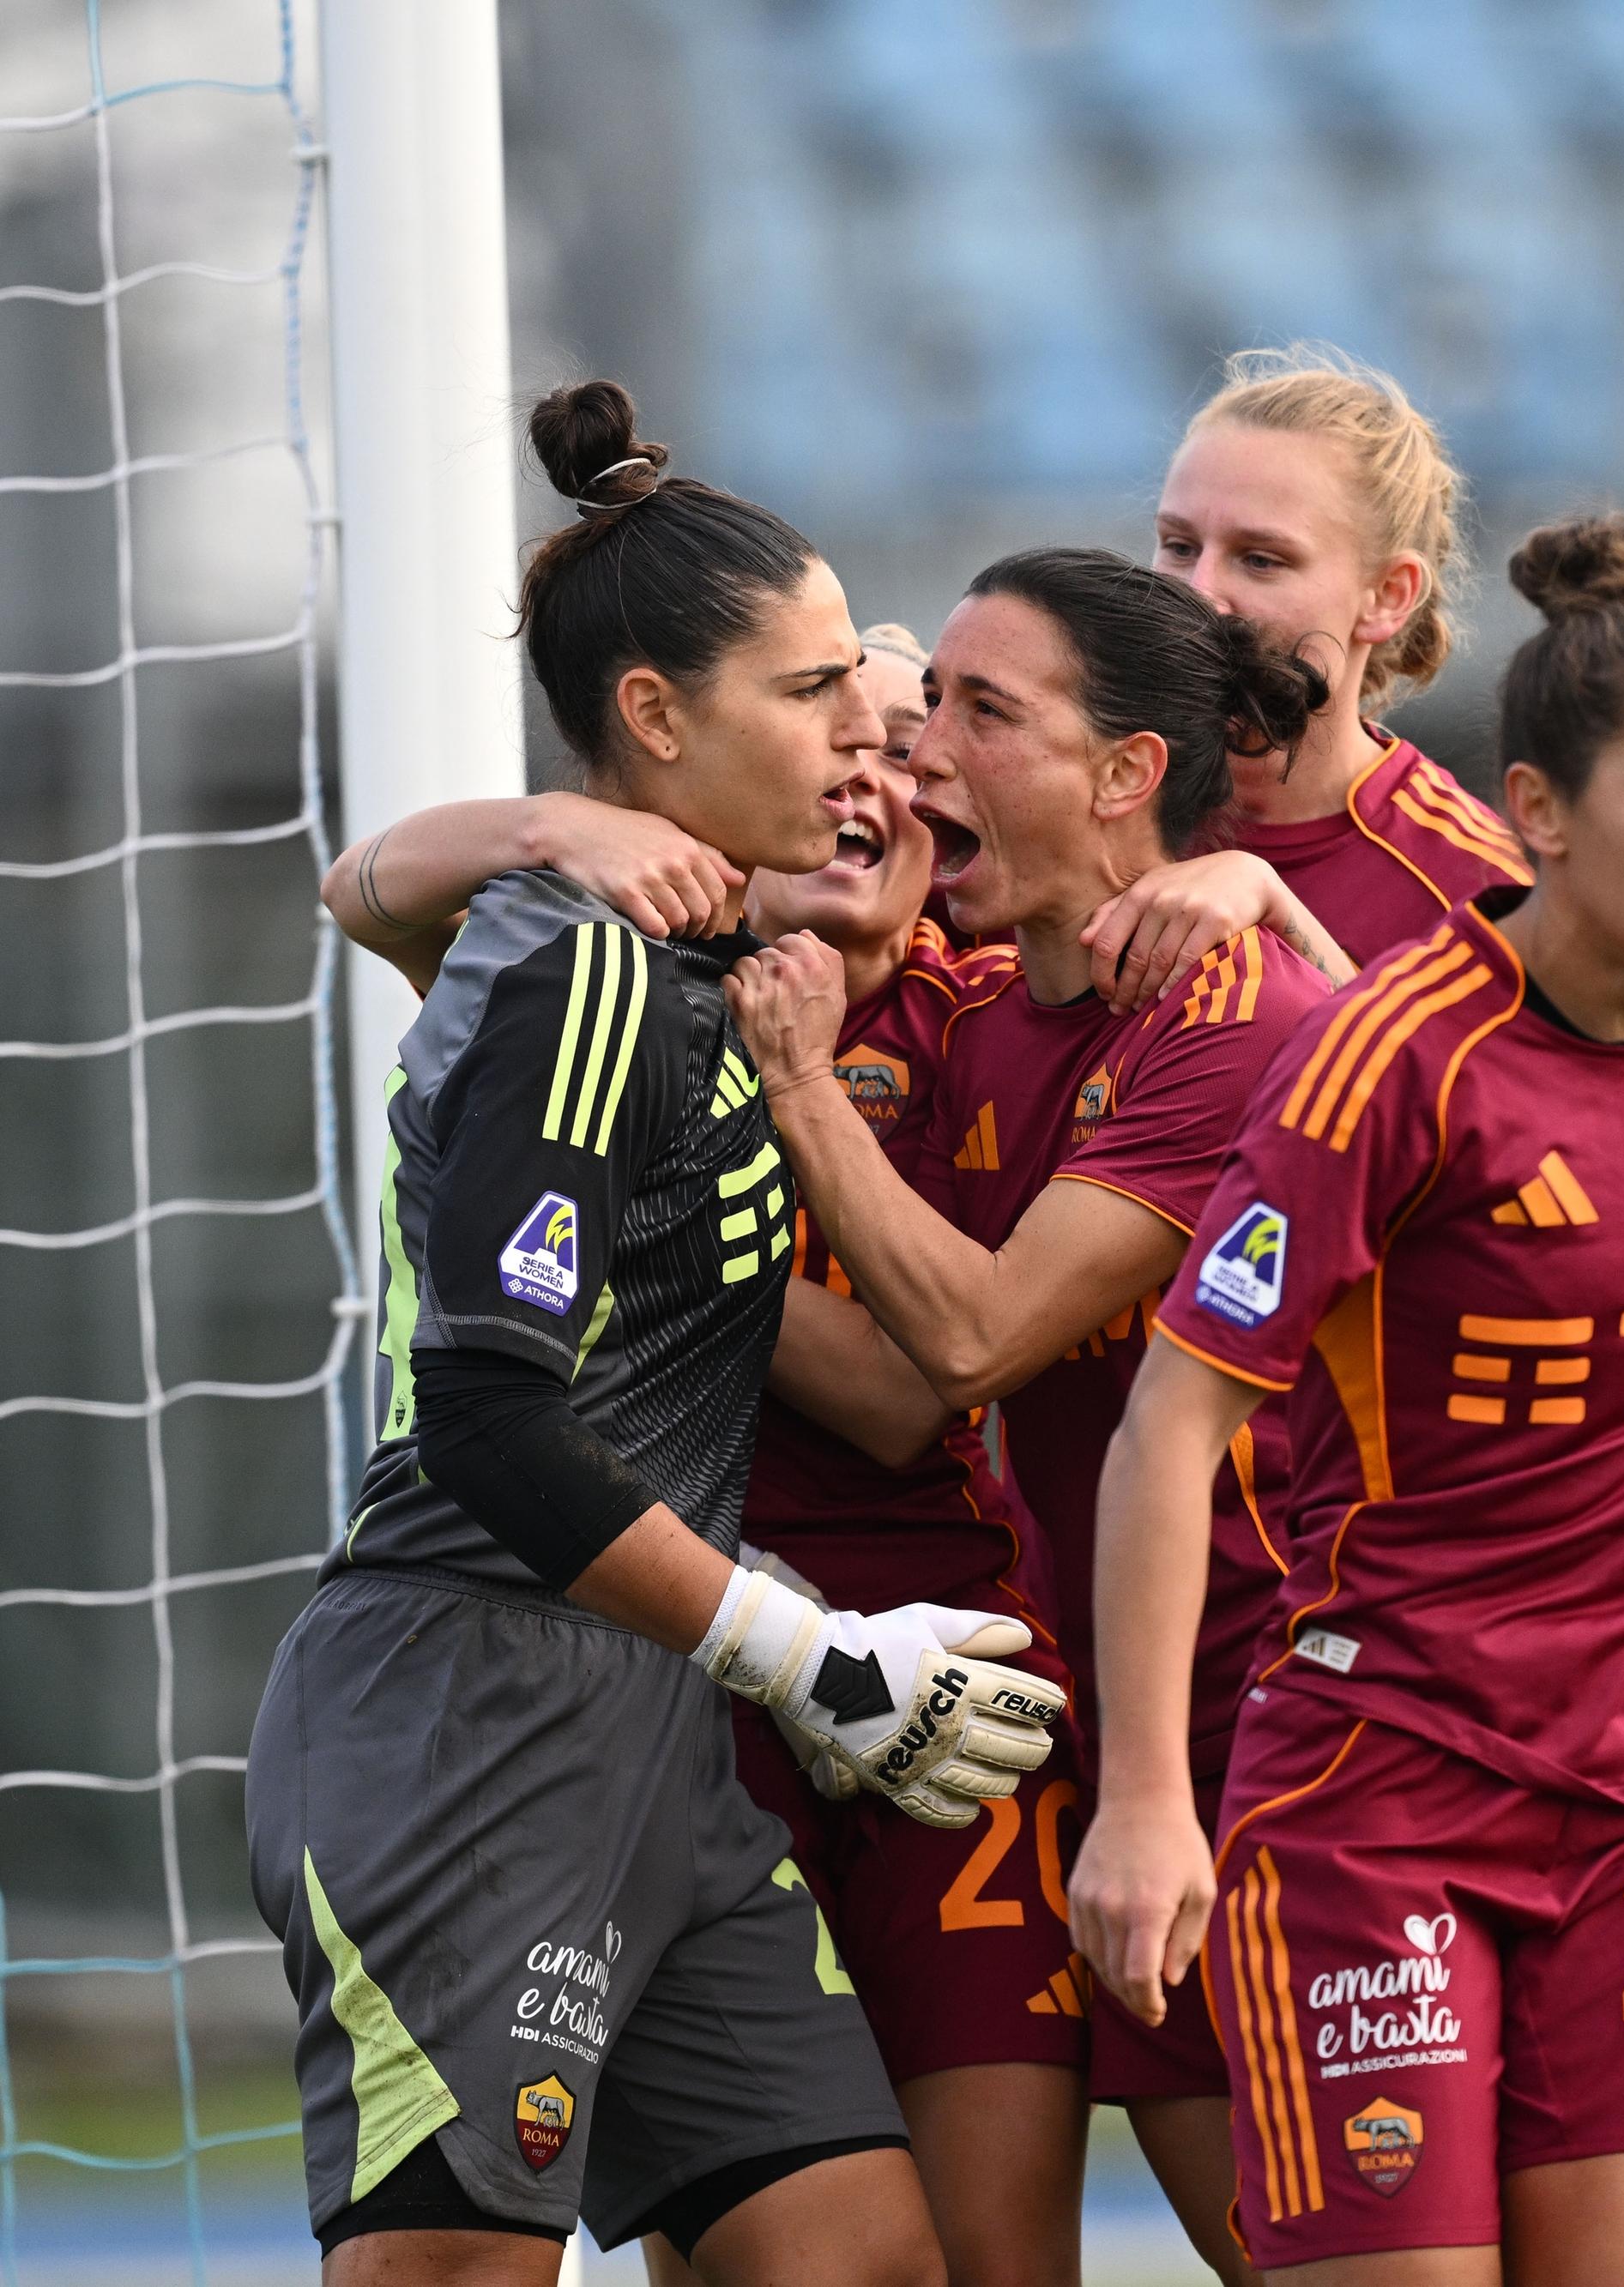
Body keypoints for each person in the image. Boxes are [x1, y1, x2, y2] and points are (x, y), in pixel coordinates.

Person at [246, 382, 1062, 2286]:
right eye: (811, 706)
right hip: (468, 1710)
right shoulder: (582, 968)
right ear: (654, 718)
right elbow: (490, 1426)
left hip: (650, 1730)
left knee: (858, 2255)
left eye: (872, 720)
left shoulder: (692, 987)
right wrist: (814, 1656)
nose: (862, 759)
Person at [1072, 515, 1624, 2286]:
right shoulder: (1386, 1061)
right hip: (1377, 1785)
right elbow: (1172, 1419)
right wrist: (1149, 1795)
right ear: (1540, 812)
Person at [727, 546, 1338, 2284]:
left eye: (979, 717)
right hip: (1130, 1704)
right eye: (929, 717)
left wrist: (776, 1119)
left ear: (1128, 772)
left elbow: (969, 1349)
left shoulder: (1225, 1005)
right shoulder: (990, 1005)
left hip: (1306, 1711)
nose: (921, 758)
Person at [1078, 346, 1528, 1013]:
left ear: (1387, 596)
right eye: (1178, 546)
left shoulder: (1481, 886)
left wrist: (1277, 911)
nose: (1201, 594)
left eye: (1261, 560)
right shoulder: (1067, 804)